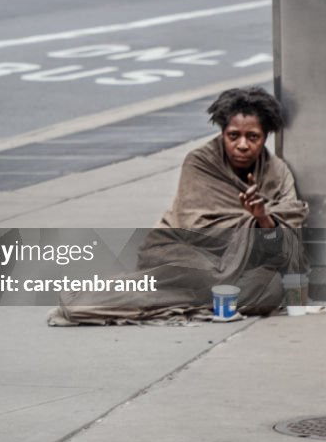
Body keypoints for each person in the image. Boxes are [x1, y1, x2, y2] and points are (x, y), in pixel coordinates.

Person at [49, 87, 309, 325]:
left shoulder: (277, 172)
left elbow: (282, 245)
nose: (242, 145)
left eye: (252, 137)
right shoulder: (200, 162)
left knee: (269, 288)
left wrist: (262, 218)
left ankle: (195, 299)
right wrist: (247, 223)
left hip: (239, 266)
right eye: (233, 136)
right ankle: (86, 301)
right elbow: (195, 225)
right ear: (222, 132)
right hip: (182, 252)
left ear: (265, 137)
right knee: (207, 276)